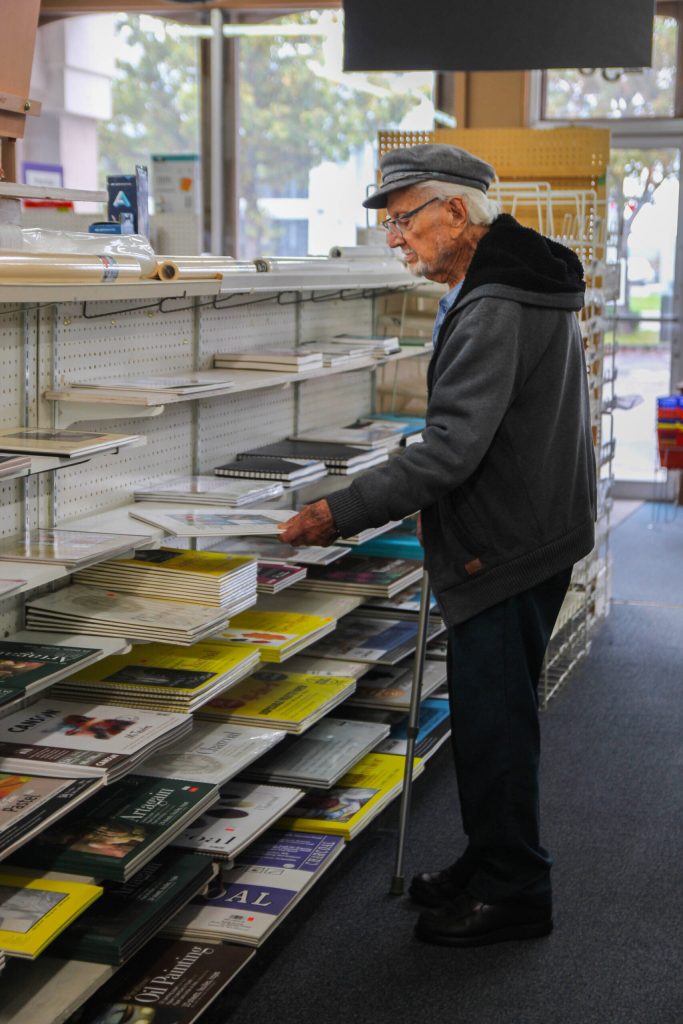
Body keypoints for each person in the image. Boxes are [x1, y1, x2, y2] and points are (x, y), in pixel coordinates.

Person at [279, 143, 596, 947]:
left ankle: (516, 890)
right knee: (496, 713)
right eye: (390, 225)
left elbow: (454, 445)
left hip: (506, 542)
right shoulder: (520, 278)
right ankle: (491, 860)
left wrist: (337, 511)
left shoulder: (492, 301)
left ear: (455, 212)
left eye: (403, 220)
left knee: (493, 724)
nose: (396, 239)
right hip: (533, 524)